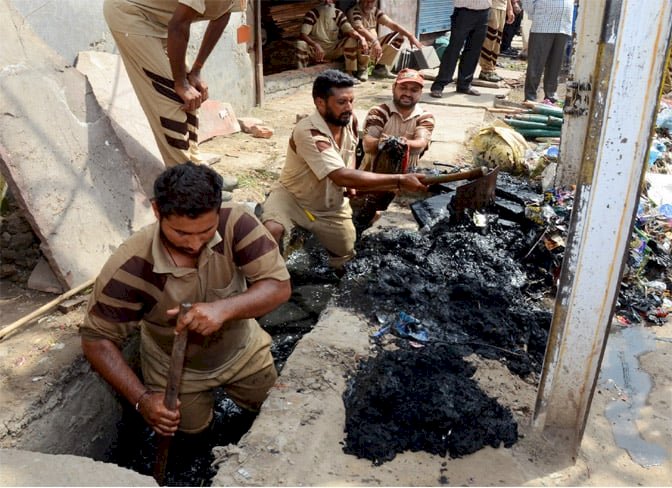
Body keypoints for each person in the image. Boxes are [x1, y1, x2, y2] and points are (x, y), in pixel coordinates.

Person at [80, 162, 291, 436]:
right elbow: (96, 339)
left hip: (242, 352)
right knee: (191, 436)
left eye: (205, 231)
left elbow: (278, 286)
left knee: (271, 414)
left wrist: (224, 309)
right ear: (157, 212)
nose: (193, 244)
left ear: (218, 210)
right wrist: (142, 400)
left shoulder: (236, 223)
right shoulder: (131, 265)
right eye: (180, 233)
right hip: (174, 371)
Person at [259, 69, 427, 272]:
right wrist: (399, 180)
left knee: (345, 260)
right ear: (320, 103)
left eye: (351, 101)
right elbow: (339, 176)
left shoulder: (349, 121)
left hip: (330, 206)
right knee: (272, 230)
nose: (349, 107)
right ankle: (272, 279)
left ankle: (308, 240)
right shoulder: (308, 132)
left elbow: (351, 154)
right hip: (292, 198)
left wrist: (353, 179)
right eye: (341, 102)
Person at [103, 0, 246, 168]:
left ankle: (197, 167)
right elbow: (179, 25)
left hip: (164, 23)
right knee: (170, 97)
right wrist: (180, 83)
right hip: (131, 14)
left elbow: (222, 16)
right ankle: (184, 180)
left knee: (192, 95)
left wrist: (196, 70)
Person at [360, 69, 435, 173]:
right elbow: (367, 145)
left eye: (414, 90)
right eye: (403, 88)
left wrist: (397, 143)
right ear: (393, 88)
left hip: (406, 180)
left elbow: (420, 145)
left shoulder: (425, 117)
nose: (408, 94)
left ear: (420, 93)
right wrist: (381, 143)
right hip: (372, 175)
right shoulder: (379, 112)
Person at [346, 0, 424, 80]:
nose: (369, 4)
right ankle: (363, 69)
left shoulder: (374, 11)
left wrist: (410, 36)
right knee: (362, 39)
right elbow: (359, 29)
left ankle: (380, 68)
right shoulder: (354, 11)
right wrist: (375, 41)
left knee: (399, 36)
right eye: (366, 1)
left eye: (371, 2)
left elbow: (392, 24)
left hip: (373, 48)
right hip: (361, 48)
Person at [430, 0, 492, 98]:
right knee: (454, 49)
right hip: (464, 12)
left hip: (484, 12)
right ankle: (439, 85)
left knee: (474, 50)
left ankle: (464, 84)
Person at [296, 0, 370, 81]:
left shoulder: (338, 14)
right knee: (300, 44)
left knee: (352, 40)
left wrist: (361, 38)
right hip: (316, 50)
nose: (327, 2)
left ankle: (349, 73)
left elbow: (350, 31)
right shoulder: (312, 13)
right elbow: (303, 35)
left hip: (333, 49)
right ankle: (301, 74)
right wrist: (315, 45)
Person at [521, 0, 574, 103]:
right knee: (536, 64)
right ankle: (530, 97)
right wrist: (536, 14)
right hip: (543, 24)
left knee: (556, 65)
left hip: (563, 26)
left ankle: (550, 95)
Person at [477, 0, 515, 83]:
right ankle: (486, 70)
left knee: (497, 40)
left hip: (502, 7)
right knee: (490, 39)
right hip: (492, 6)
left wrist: (509, 9)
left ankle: (491, 68)